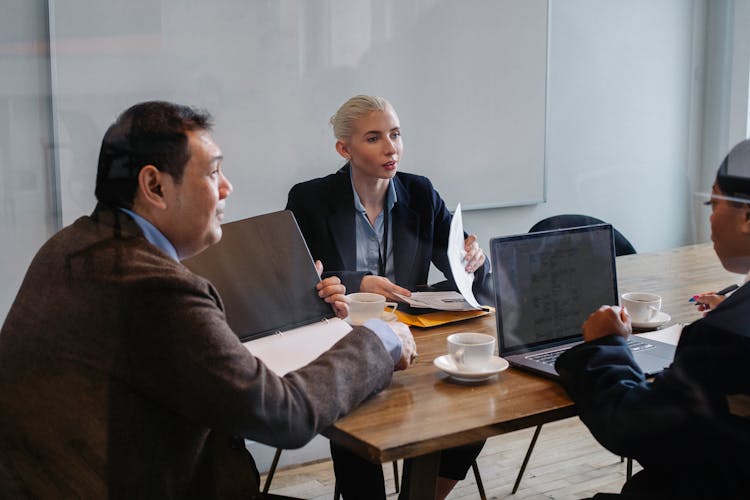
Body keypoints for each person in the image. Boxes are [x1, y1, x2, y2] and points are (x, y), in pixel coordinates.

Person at [0, 101, 417, 499]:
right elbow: (284, 416)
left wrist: (291, 300)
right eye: (213, 172)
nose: (226, 187)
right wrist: (377, 340)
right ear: (154, 185)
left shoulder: (71, 244)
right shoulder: (156, 288)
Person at [286, 95, 487, 500]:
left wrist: (472, 259)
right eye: (374, 138)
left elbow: (464, 273)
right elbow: (294, 283)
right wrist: (358, 281)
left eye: (395, 134)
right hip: (345, 342)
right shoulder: (310, 200)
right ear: (345, 149)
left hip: (415, 341)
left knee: (474, 407)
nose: (390, 147)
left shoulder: (420, 193)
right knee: (357, 417)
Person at [555, 139, 750, 499]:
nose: (709, 216)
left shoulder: (725, 337)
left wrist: (605, 345)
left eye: (714, 202)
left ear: (747, 218)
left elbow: (631, 429)